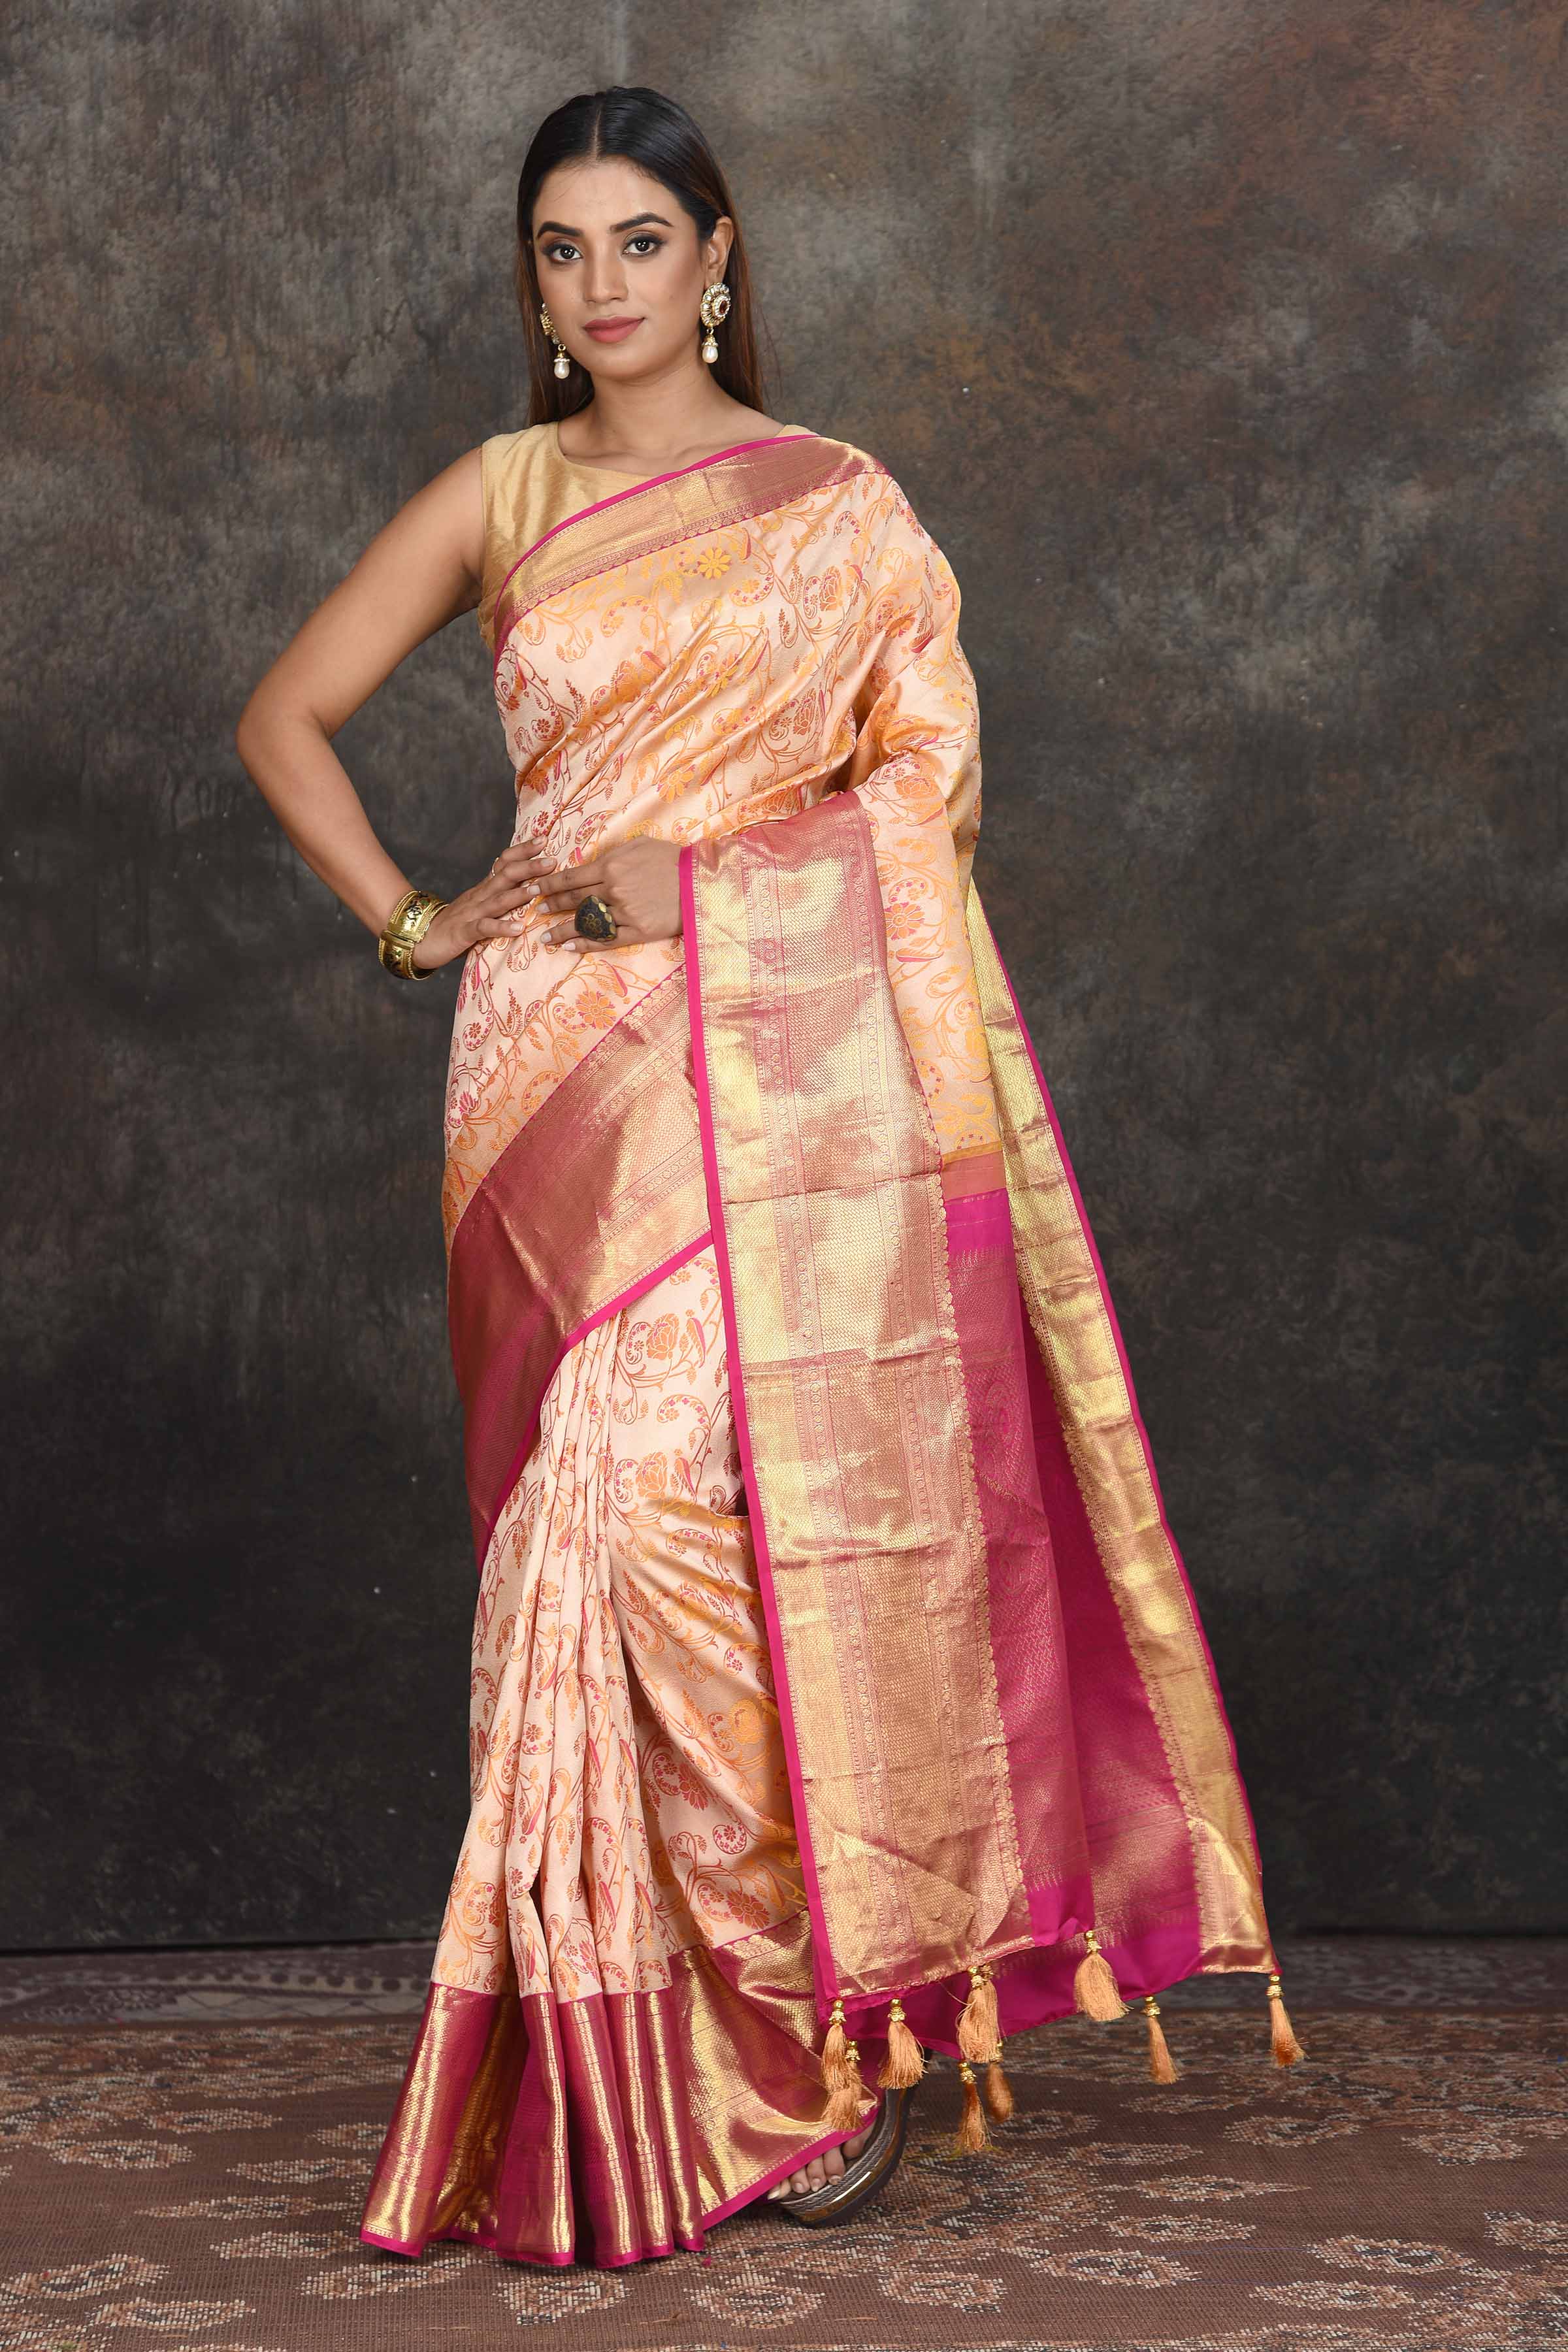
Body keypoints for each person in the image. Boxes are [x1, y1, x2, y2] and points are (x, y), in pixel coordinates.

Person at [237, 84, 1300, 2274]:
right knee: (592, 1534)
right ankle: (694, 2047)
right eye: (562, 250)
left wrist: (709, 879)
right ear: (533, 282)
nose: (602, 286)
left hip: (784, 1071)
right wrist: (420, 919)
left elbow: (932, 793)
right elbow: (285, 717)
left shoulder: (840, 507)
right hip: (551, 1067)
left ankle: (810, 2028)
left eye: (641, 241)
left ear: (717, 258)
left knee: (710, 1511)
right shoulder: (503, 492)